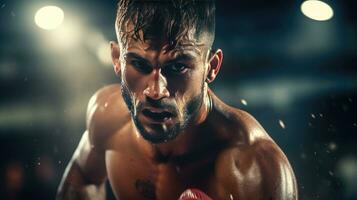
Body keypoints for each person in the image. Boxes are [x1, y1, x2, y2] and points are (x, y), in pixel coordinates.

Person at [56, 0, 298, 199]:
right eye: (139, 64)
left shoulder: (254, 169)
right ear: (117, 59)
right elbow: (82, 181)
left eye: (178, 67)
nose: (156, 91)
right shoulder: (106, 116)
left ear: (211, 67)